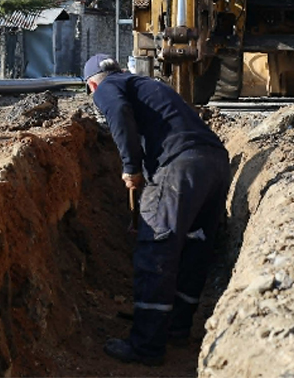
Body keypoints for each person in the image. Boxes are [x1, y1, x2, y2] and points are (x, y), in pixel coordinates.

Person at [84, 54, 231, 366]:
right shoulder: (146, 84)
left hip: (180, 166)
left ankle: (146, 346)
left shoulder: (107, 88)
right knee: (194, 247)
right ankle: (177, 327)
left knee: (156, 250)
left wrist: (131, 168)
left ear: (92, 83)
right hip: (215, 162)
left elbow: (119, 112)